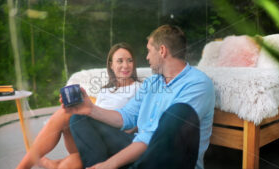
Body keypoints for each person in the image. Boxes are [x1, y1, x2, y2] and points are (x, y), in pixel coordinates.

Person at [66, 24, 215, 169]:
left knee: (179, 111)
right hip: (140, 151)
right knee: (80, 119)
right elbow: (127, 116)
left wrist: (110, 164)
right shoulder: (152, 82)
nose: (147, 57)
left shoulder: (198, 84)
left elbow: (157, 136)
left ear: (162, 51)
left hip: (168, 158)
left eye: (149, 51)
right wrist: (91, 109)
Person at [16, 42, 141, 169]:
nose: (125, 65)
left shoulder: (139, 89)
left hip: (116, 140)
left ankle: (48, 164)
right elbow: (92, 115)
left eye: (129, 61)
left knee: (68, 165)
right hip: (90, 140)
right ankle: (28, 164)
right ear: (111, 65)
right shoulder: (105, 91)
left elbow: (138, 124)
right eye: (120, 61)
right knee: (67, 113)